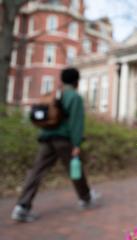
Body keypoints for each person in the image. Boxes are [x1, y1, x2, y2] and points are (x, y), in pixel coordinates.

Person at [11, 67, 99, 222]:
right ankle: (85, 198)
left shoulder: (54, 94)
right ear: (77, 81)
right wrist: (77, 144)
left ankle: (22, 207)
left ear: (62, 80)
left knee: (36, 171)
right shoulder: (74, 97)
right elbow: (76, 123)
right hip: (64, 141)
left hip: (46, 138)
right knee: (75, 169)